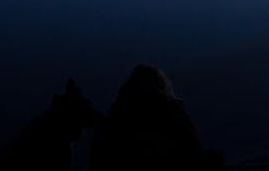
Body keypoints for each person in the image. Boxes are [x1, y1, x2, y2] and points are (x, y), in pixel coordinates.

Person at [91, 64, 220, 170]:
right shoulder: (174, 115)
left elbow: (100, 154)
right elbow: (191, 149)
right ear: (163, 86)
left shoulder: (116, 117)